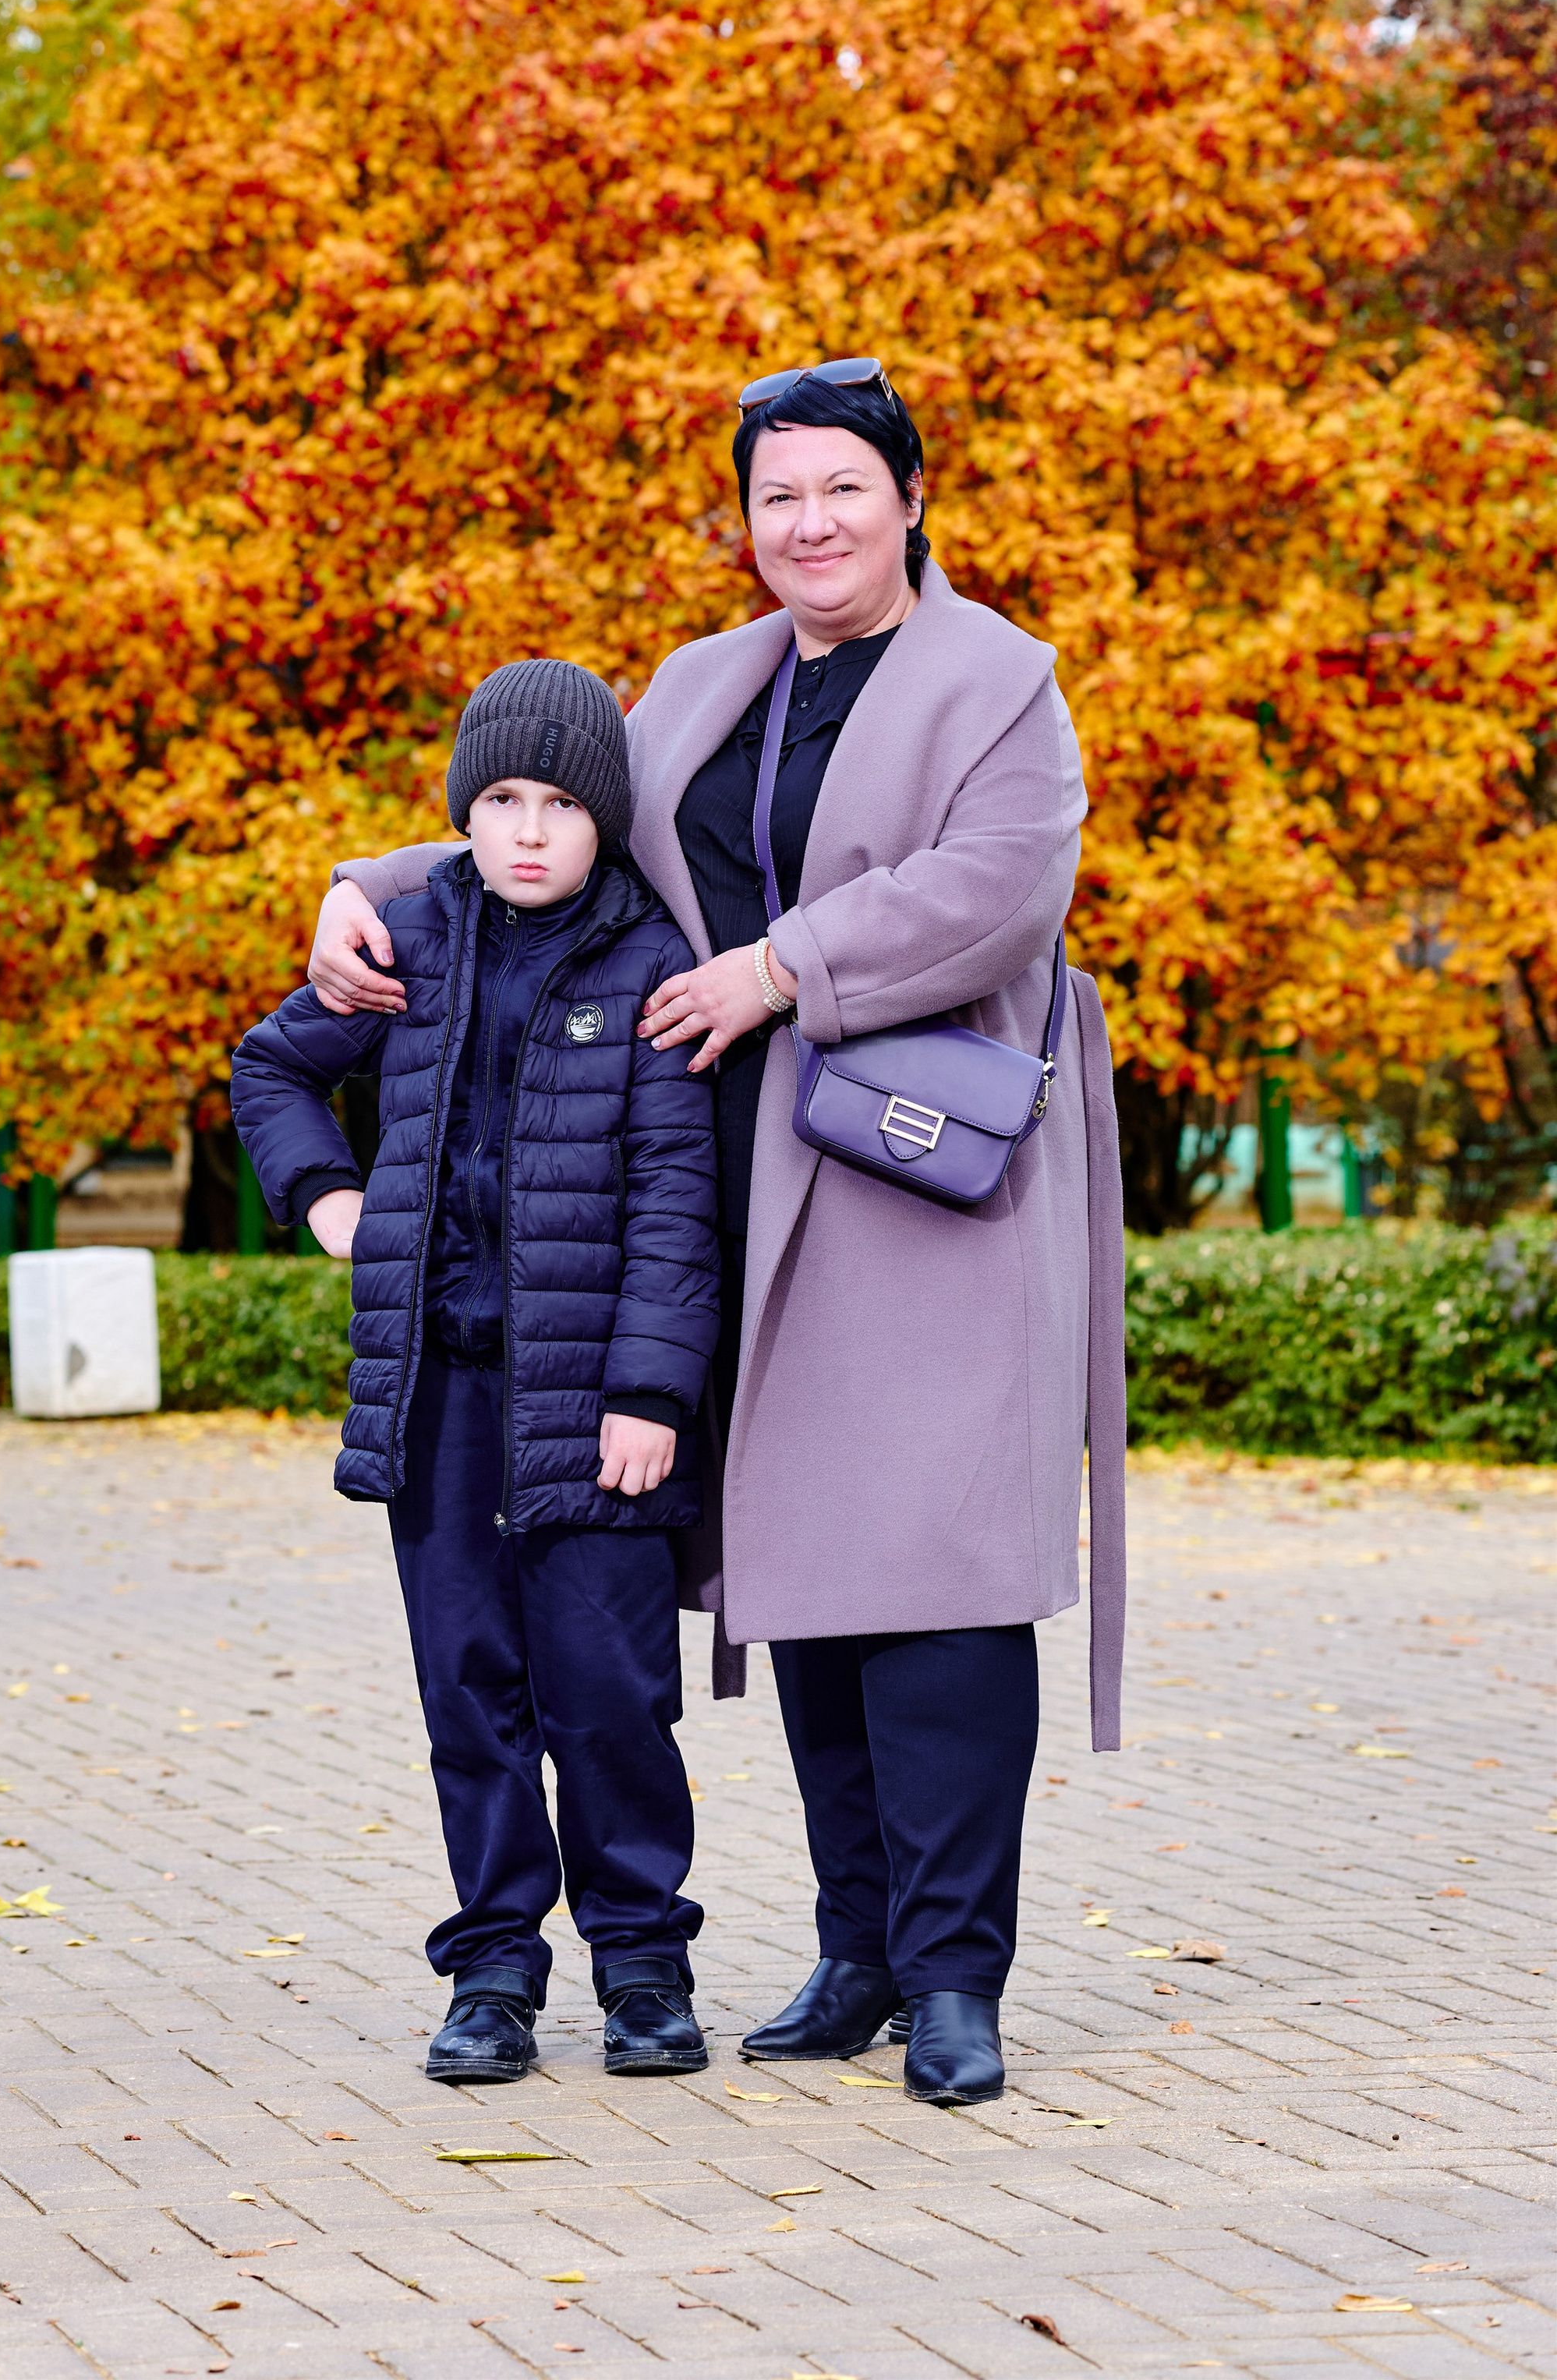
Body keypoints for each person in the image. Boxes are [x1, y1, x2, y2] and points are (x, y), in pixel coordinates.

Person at [304, 359, 1127, 2109]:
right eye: (776, 497)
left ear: (908, 497)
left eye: (841, 488)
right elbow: (549, 837)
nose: (807, 523)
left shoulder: (998, 685)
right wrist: (362, 888)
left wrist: (775, 969)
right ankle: (855, 1950)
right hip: (746, 1191)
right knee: (812, 1577)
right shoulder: (698, 685)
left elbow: (997, 891)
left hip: (923, 1185)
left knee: (942, 1581)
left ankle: (956, 1972)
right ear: (742, 521)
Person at [229, 658, 721, 2087]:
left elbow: (675, 1201)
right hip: (438, 1397)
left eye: (560, 805)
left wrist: (650, 1392)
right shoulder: (412, 940)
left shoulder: (646, 964)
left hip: (589, 1406)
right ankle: (494, 1967)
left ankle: (643, 1963)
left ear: (602, 823)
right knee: (470, 1687)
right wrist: (331, 1197)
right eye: (500, 799)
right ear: (463, 811)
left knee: (611, 1693)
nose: (526, 830)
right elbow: (270, 1067)